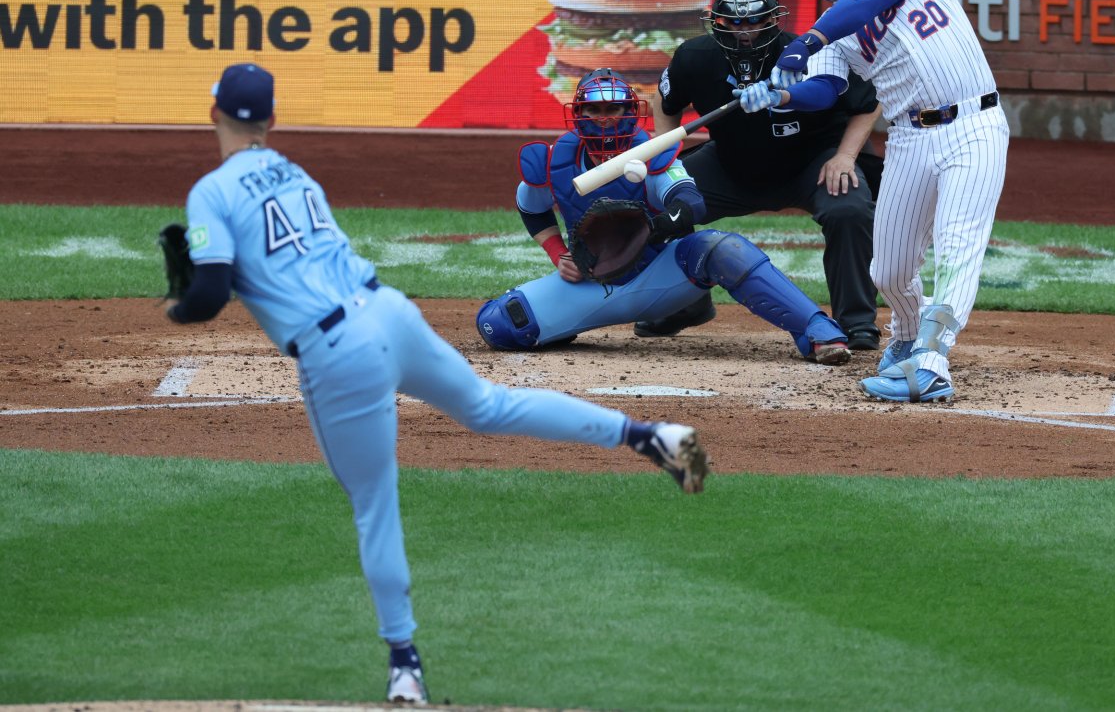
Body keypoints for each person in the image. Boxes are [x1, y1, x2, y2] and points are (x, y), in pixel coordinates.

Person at [164, 63, 711, 706]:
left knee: (374, 504)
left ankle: (405, 666)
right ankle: (648, 436)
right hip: (391, 313)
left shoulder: (210, 192)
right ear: (274, 120)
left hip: (337, 352)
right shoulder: (295, 173)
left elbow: (205, 295)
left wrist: (178, 303)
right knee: (489, 406)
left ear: (213, 116)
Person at [738, 0, 1009, 402]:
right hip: (909, 138)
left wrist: (808, 41)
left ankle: (931, 363)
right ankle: (907, 337)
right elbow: (825, 91)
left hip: (975, 124)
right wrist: (779, 98)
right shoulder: (834, 32)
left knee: (955, 247)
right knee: (887, 269)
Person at [475, 66, 852, 367]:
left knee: (723, 248)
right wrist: (558, 254)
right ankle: (567, 325)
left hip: (658, 275)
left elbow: (690, 201)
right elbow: (530, 206)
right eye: (595, 110)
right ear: (579, 114)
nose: (605, 119)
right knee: (499, 325)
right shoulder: (556, 159)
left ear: (629, 112)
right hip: (592, 283)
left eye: (614, 109)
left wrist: (649, 229)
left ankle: (817, 330)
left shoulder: (652, 152)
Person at [642, 0, 884, 351]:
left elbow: (869, 103)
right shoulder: (693, 56)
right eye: (733, 23)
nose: (744, 33)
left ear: (774, 19)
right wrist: (664, 161)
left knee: (849, 207)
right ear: (716, 21)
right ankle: (684, 305)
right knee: (658, 197)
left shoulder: (810, 54)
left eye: (755, 22)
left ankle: (856, 323)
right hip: (730, 165)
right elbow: (665, 102)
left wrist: (845, 156)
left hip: (811, 162)